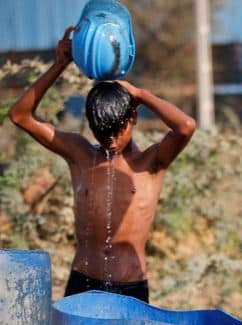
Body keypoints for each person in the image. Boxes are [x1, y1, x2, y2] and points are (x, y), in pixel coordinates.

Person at [9, 27, 196, 303]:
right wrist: (60, 64)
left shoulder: (152, 163)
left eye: (115, 132)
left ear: (133, 117)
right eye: (100, 133)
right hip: (83, 281)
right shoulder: (79, 154)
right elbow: (20, 115)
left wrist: (140, 94)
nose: (108, 141)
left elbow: (186, 127)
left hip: (131, 286)